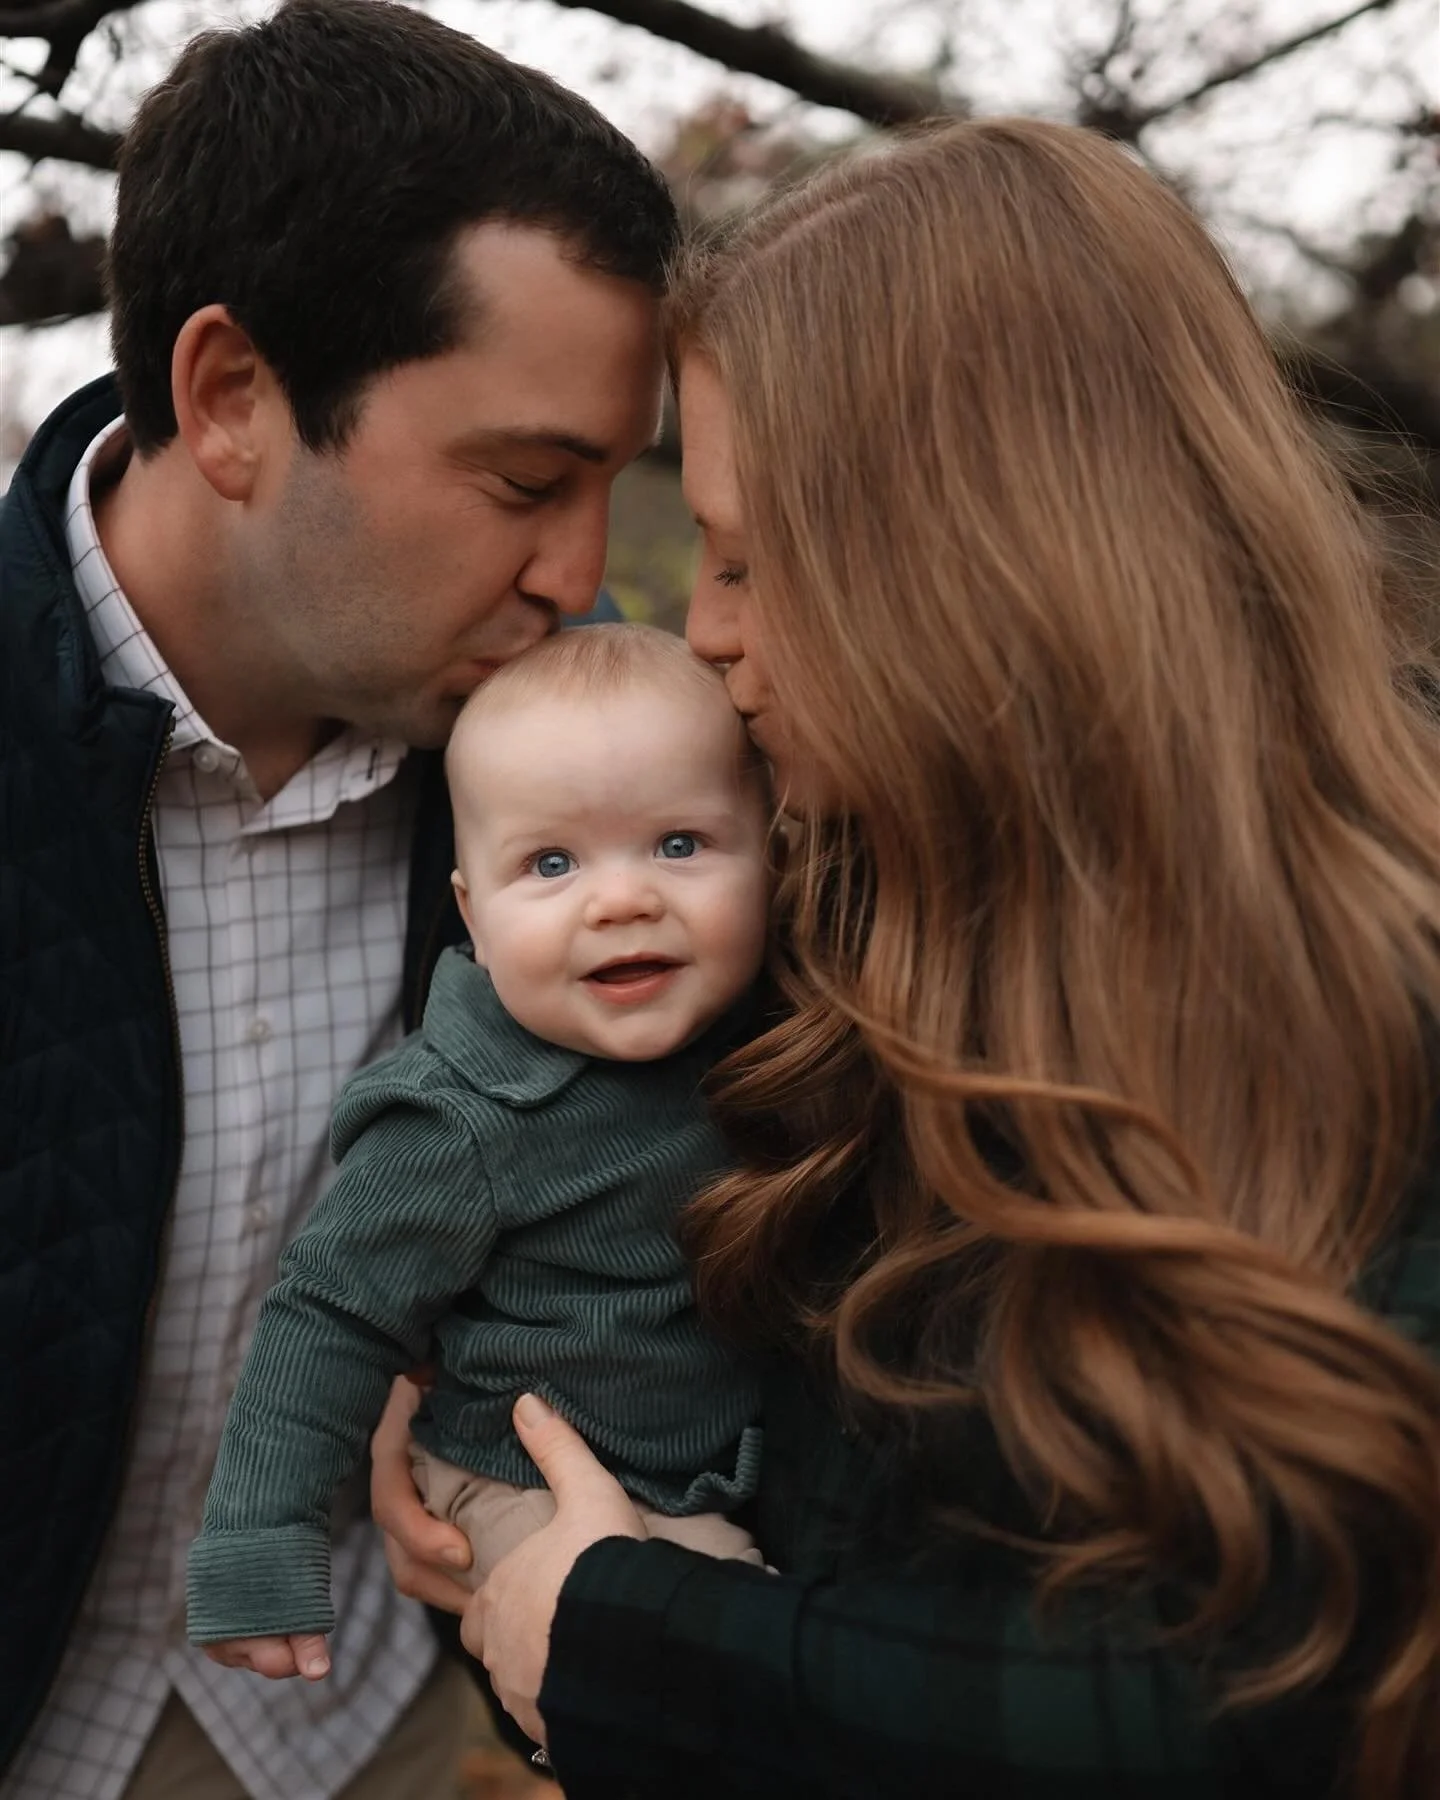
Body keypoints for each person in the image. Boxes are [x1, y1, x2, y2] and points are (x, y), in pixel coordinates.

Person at [372, 119, 1440, 1797]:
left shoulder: (1382, 995)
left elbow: (1280, 1700)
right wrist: (473, 1430)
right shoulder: (826, 938)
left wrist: (632, 1638)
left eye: (748, 561)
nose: (702, 629)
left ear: (970, 560)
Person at [0, 0, 677, 1792]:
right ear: (233, 398)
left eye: (614, 485)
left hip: (364, 1723)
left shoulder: (605, 771)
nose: (581, 573)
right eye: (526, 482)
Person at [185, 624, 770, 1682]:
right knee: (712, 1652)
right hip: (522, 1476)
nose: (623, 899)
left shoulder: (771, 1038)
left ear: (771, 856)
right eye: (551, 863)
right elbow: (329, 1318)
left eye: (680, 845)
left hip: (710, 1459)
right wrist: (259, 1542)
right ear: (474, 915)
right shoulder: (457, 1115)